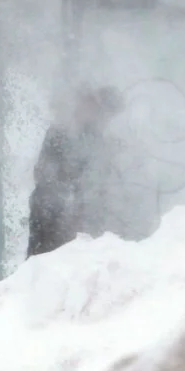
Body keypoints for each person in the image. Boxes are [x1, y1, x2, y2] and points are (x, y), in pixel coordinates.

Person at [27, 85, 126, 258]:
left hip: (82, 223)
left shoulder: (97, 139)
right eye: (88, 105)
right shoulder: (59, 133)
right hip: (51, 218)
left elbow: (101, 183)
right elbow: (43, 174)